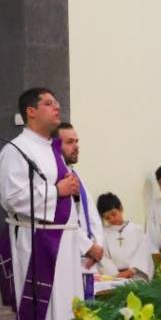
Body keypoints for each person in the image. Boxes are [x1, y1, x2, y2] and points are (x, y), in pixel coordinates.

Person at [0, 88, 86, 320]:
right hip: (37, 244)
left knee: (66, 318)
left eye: (57, 102)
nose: (56, 106)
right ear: (30, 112)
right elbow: (12, 197)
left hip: (63, 245)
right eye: (49, 103)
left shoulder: (53, 150)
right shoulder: (16, 151)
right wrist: (57, 190)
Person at [54, 122, 105, 296]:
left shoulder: (75, 174)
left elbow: (92, 216)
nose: (76, 147)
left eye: (76, 141)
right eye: (69, 142)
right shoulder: (57, 177)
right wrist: (88, 247)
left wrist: (97, 246)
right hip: (71, 258)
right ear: (55, 145)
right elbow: (64, 218)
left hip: (88, 260)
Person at [95, 193, 155, 280]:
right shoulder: (103, 234)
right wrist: (116, 275)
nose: (111, 219)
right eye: (107, 218)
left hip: (136, 275)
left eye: (113, 214)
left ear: (121, 208)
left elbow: (143, 253)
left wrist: (131, 271)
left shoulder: (137, 230)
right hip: (114, 277)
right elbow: (103, 257)